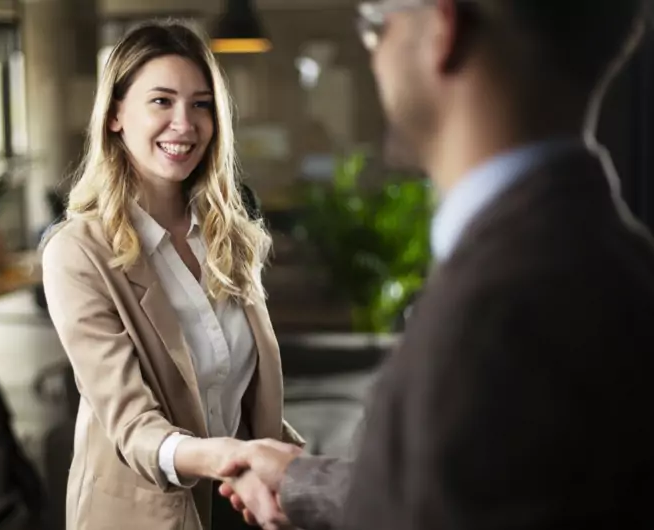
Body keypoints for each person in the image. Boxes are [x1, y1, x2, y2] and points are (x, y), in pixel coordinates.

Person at [219, 0, 654, 529]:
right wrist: (301, 480)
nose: (374, 55)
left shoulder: (496, 318)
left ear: (443, 32)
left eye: (376, 25)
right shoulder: (609, 263)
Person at [40, 20, 304, 530]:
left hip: (238, 504)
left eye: (201, 104)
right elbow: (134, 426)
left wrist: (304, 473)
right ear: (116, 115)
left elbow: (239, 401)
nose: (184, 124)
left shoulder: (230, 237)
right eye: (161, 101)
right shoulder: (76, 253)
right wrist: (230, 459)